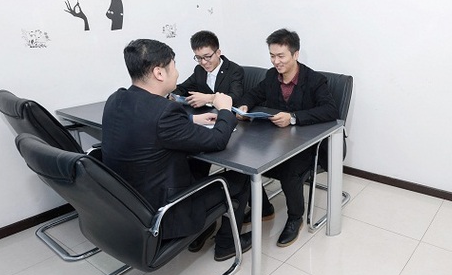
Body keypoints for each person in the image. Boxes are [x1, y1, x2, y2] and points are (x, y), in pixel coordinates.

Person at [101, 39, 251, 261]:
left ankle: (204, 230)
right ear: (159, 73)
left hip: (129, 203)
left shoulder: (116, 99)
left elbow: (147, 124)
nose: (177, 73)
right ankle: (227, 244)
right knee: (242, 177)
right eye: (174, 66)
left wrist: (190, 120)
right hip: (165, 211)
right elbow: (217, 141)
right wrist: (225, 111)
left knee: (197, 162)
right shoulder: (165, 111)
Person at [235, 29, 338, 247]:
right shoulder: (271, 76)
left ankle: (295, 218)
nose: (276, 61)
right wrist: (244, 106)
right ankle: (264, 209)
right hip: (279, 140)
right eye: (272, 56)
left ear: (295, 54)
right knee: (244, 160)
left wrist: (293, 118)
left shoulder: (315, 80)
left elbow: (330, 110)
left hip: (308, 144)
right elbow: (254, 94)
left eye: (281, 56)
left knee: (290, 170)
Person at [172, 30, 244, 108]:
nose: (203, 62)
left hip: (227, 113)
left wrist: (209, 98)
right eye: (198, 58)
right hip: (205, 113)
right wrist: (171, 95)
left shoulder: (234, 70)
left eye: (207, 57)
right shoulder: (199, 70)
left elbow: (236, 97)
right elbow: (183, 88)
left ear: (218, 53)